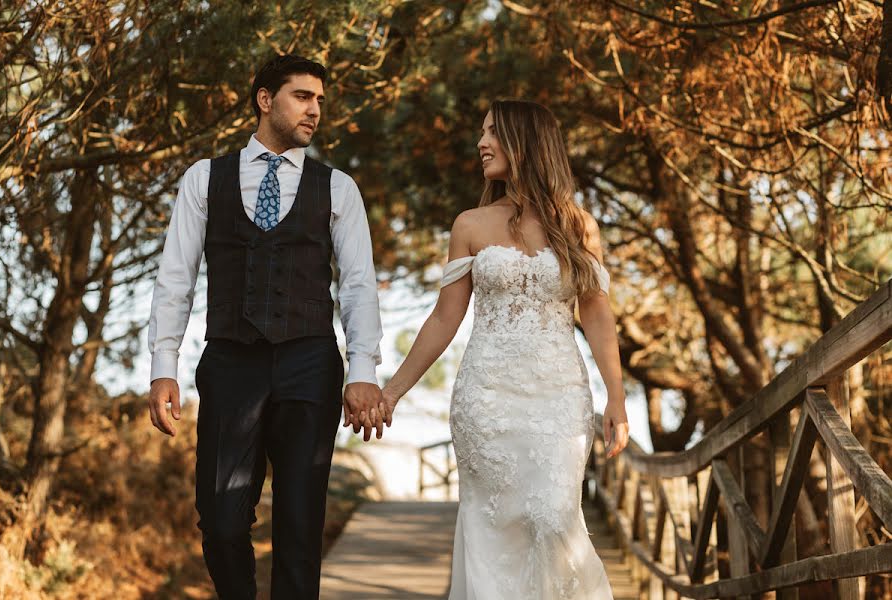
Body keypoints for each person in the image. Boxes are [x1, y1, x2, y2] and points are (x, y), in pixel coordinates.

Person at [146, 55, 385, 600]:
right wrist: (165, 366)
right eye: (302, 96)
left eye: (320, 99)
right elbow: (175, 277)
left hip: (310, 362)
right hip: (231, 363)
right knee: (222, 521)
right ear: (264, 99)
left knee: (300, 529)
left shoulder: (338, 188)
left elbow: (357, 286)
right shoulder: (205, 179)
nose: (315, 109)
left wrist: (362, 371)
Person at [379, 100, 629, 599]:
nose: (481, 142)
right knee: (495, 535)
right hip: (487, 400)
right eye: (482, 132)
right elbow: (445, 317)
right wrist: (393, 392)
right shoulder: (470, 225)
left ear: (526, 143)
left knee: (555, 518)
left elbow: (597, 314)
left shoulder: (580, 227)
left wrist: (617, 399)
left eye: (492, 132)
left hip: (559, 397)